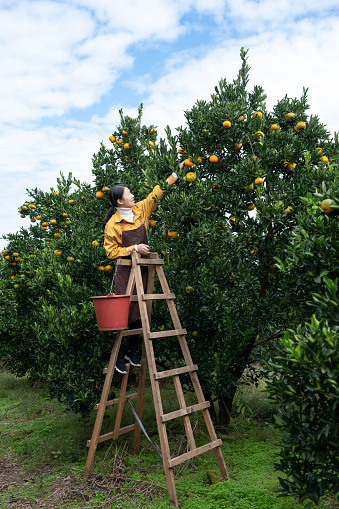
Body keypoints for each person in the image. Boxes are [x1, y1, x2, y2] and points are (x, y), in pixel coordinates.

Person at [104, 172, 178, 374]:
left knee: (141, 308)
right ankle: (119, 355)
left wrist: (175, 174)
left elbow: (156, 193)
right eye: (129, 193)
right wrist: (134, 248)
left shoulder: (140, 211)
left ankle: (132, 350)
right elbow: (110, 252)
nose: (133, 195)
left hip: (143, 269)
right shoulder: (113, 224)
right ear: (119, 200)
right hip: (126, 271)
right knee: (124, 310)